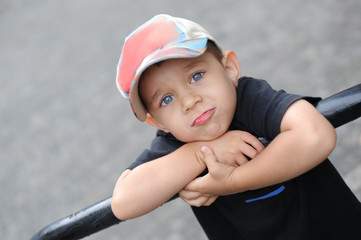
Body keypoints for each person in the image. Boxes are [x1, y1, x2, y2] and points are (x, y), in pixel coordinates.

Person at [111, 14, 361, 239]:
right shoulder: (177, 143)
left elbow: (315, 136)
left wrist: (231, 181)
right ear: (158, 122)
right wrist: (200, 154)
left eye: (196, 76)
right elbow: (123, 202)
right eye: (166, 99)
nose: (189, 101)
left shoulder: (248, 99)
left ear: (229, 68)